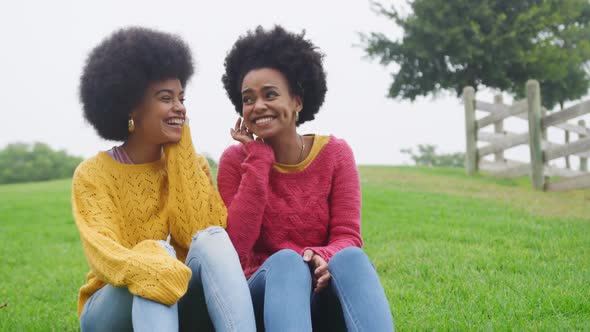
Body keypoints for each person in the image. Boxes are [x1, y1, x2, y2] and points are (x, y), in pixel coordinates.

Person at [73, 26, 255, 332]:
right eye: (165, 98)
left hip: (178, 299)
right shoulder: (93, 174)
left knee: (214, 237)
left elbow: (196, 234)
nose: (179, 107)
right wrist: (156, 262)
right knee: (156, 256)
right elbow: (104, 254)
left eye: (181, 98)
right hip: (111, 307)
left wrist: (180, 150)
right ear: (131, 107)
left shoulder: (192, 164)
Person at [218, 25, 395, 331]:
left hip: (320, 291)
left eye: (270, 94)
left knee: (351, 257)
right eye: (248, 99)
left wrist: (320, 258)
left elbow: (347, 236)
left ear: (297, 101)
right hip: (262, 297)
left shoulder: (336, 154)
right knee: (287, 262)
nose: (258, 106)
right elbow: (234, 251)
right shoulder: (236, 161)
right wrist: (258, 161)